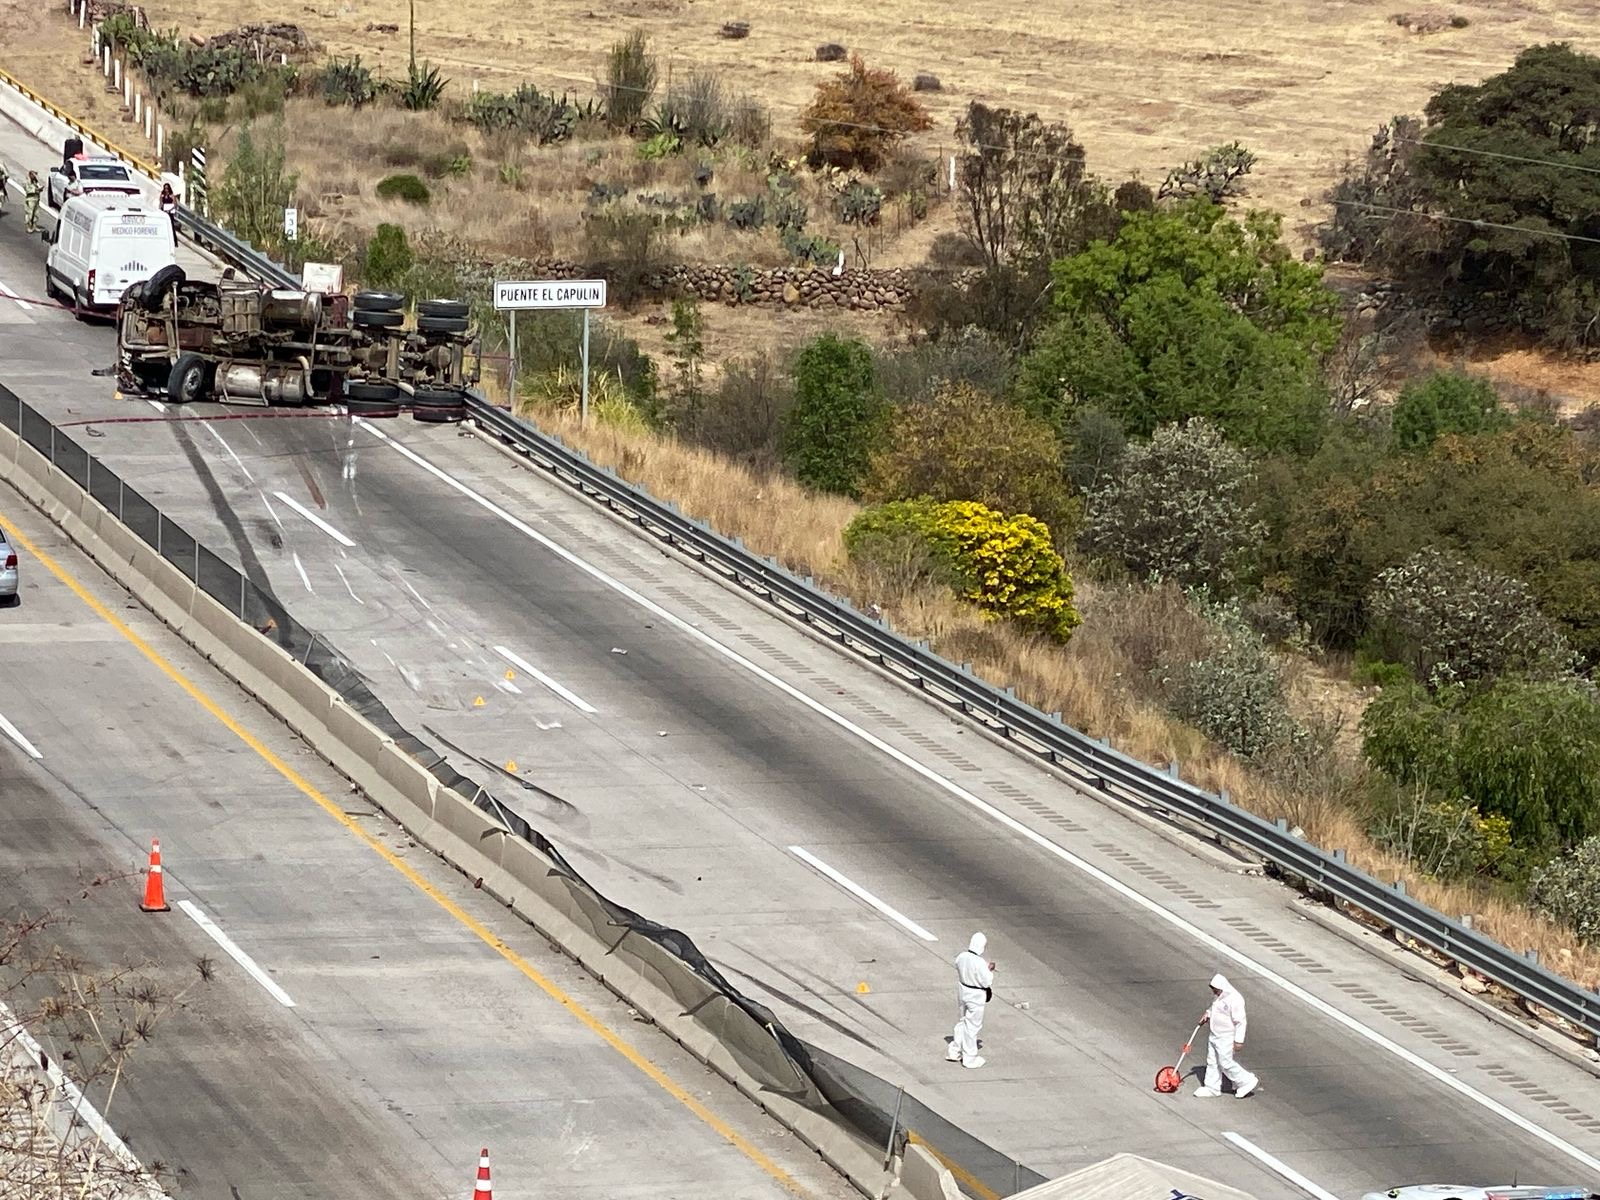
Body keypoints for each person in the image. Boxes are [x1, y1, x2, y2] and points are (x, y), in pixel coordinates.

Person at [1195, 973, 1258, 1098]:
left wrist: (1239, 1040)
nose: (1214, 992)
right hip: (1215, 1034)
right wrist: (1207, 1014)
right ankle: (1212, 1088)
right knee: (1212, 1061)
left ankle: (1246, 1080)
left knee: (1225, 1062)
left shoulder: (1235, 999)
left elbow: (1240, 1021)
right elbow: (1214, 1009)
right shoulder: (1218, 997)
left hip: (1226, 1037)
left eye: (1216, 990)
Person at [945, 932, 995, 1069]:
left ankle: (955, 1051)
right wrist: (989, 969)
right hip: (975, 995)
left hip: (962, 990)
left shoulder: (962, 956)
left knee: (962, 1021)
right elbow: (987, 981)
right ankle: (969, 1057)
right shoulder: (980, 963)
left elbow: (957, 966)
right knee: (972, 1026)